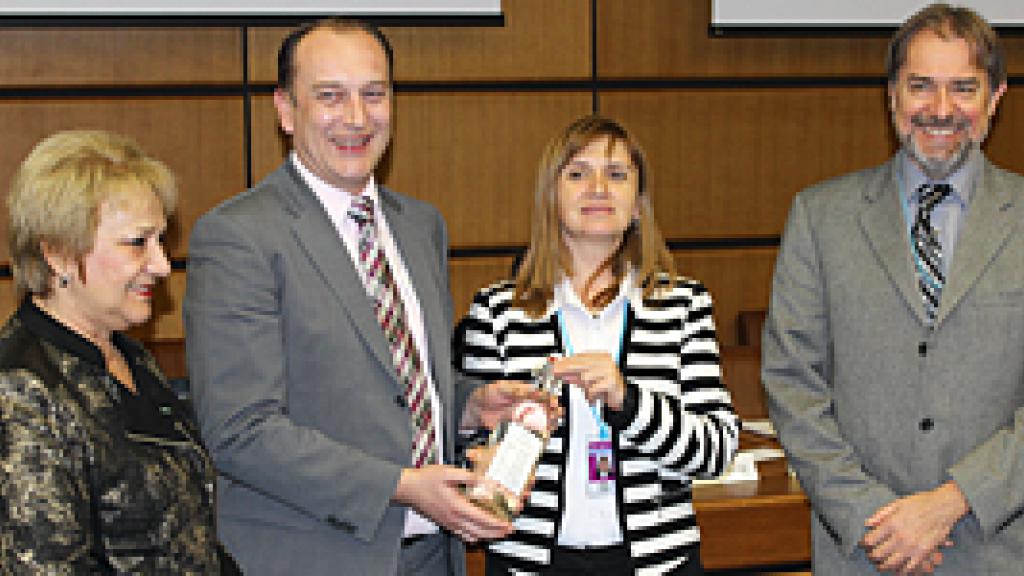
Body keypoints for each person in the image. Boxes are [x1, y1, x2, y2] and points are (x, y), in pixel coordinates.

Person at [185, 18, 540, 576]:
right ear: (284, 109)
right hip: (311, 557)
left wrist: (469, 403)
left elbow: (399, 382)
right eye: (329, 96)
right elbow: (240, 430)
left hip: (433, 556)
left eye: (373, 95)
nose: (355, 117)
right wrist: (402, 487)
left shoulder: (422, 226)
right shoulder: (238, 236)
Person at [762, 3, 1024, 574]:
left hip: (999, 548)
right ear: (891, 95)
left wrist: (952, 502)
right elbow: (792, 383)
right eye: (921, 87)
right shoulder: (819, 216)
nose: (940, 109)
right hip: (864, 551)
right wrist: (872, 516)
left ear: (995, 99)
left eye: (963, 88)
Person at [454, 115, 740, 575]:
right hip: (530, 563)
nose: (598, 187)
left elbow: (717, 449)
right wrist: (478, 456)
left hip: (656, 563)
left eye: (617, 174)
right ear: (551, 198)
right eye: (577, 173)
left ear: (639, 206)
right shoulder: (496, 311)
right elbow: (461, 443)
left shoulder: (682, 305)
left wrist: (628, 402)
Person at [0, 129, 238, 573]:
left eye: (161, 241)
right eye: (138, 243)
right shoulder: (20, 392)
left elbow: (189, 534)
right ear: (58, 254)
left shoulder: (132, 359)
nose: (163, 264)